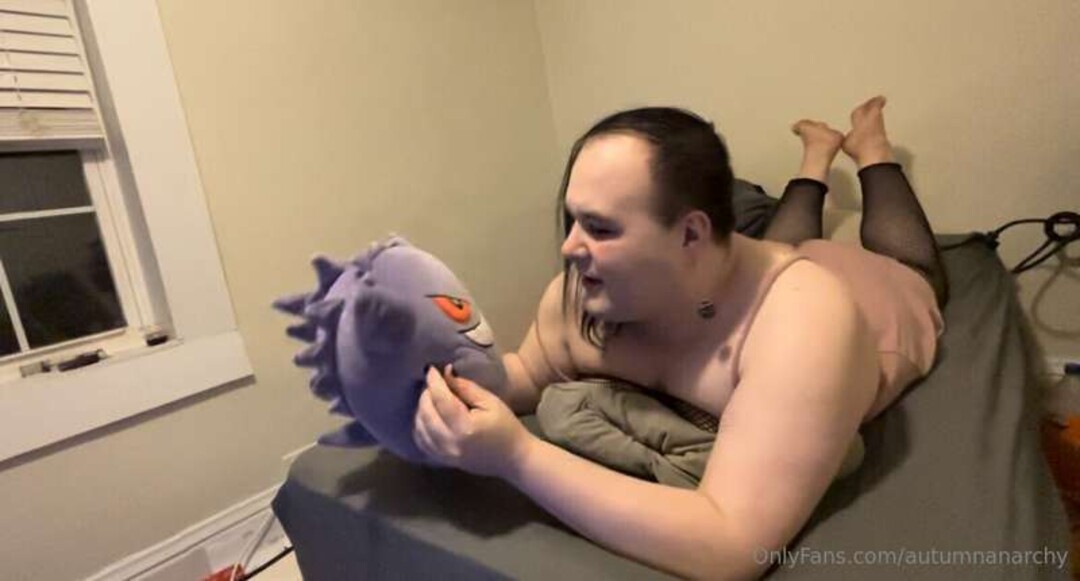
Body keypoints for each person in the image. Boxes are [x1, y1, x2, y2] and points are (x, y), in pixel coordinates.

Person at [412, 96, 947, 579]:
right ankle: (815, 158)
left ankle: (871, 149)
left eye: (600, 228)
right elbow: (529, 373)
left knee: (913, 265)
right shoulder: (586, 292)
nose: (570, 247)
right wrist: (440, 380)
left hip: (876, 309)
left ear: (690, 232)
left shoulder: (805, 323)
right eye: (572, 221)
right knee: (783, 240)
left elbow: (732, 546)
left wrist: (516, 456)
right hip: (731, 271)